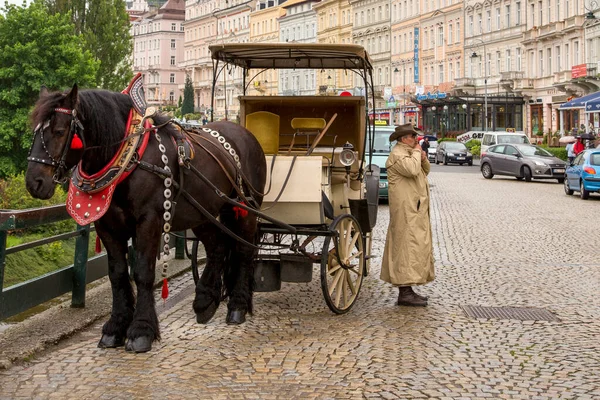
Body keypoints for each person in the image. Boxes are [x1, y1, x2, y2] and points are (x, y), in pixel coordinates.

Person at [380, 123, 435, 307]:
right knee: (405, 246)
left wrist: (423, 157)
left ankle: (408, 289)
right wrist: (418, 152)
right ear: (404, 139)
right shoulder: (398, 154)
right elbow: (412, 170)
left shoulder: (409, 153)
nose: (416, 139)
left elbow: (423, 171)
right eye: (413, 136)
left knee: (414, 246)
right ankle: (404, 291)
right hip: (406, 210)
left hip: (414, 208)